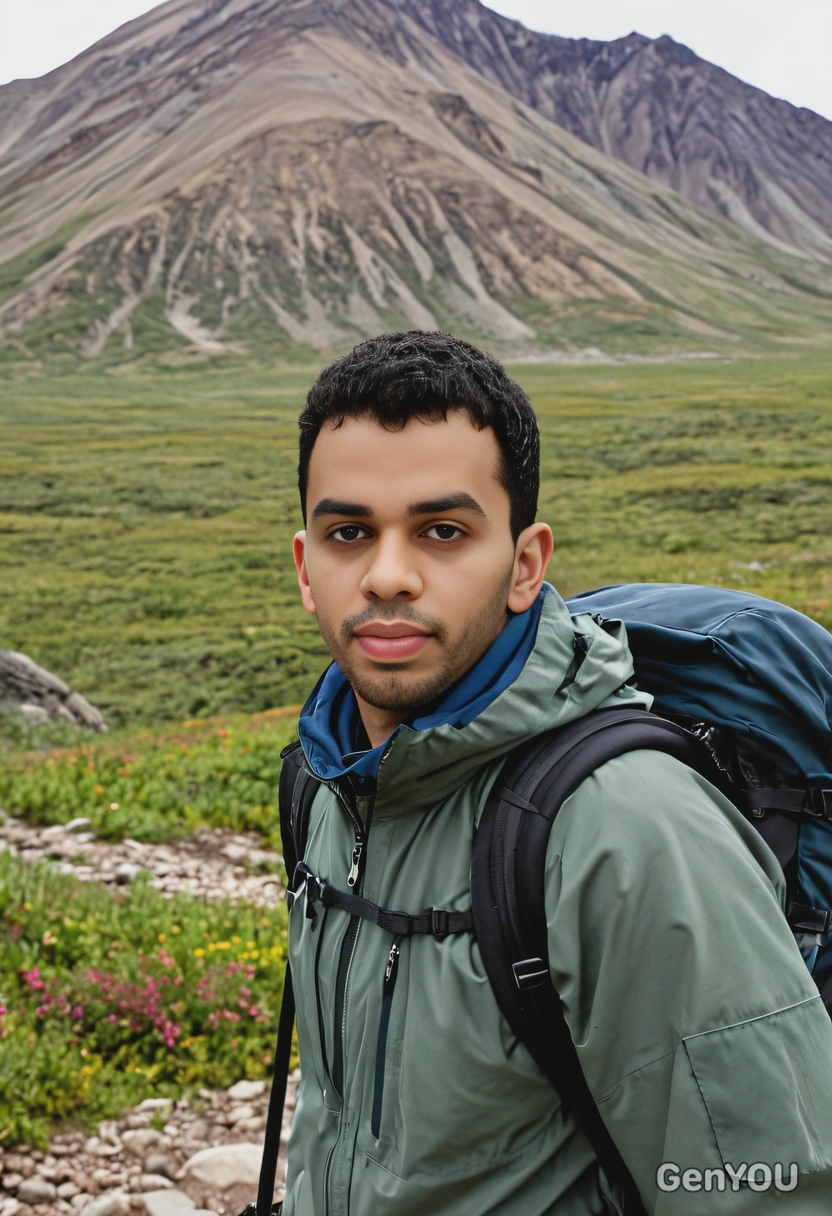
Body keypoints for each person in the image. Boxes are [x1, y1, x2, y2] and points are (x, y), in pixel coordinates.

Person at [280, 330, 832, 1215]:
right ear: (308, 568)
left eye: (443, 531)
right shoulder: (330, 780)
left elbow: (766, 1187)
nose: (387, 576)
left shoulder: (628, 828)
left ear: (525, 565)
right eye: (349, 532)